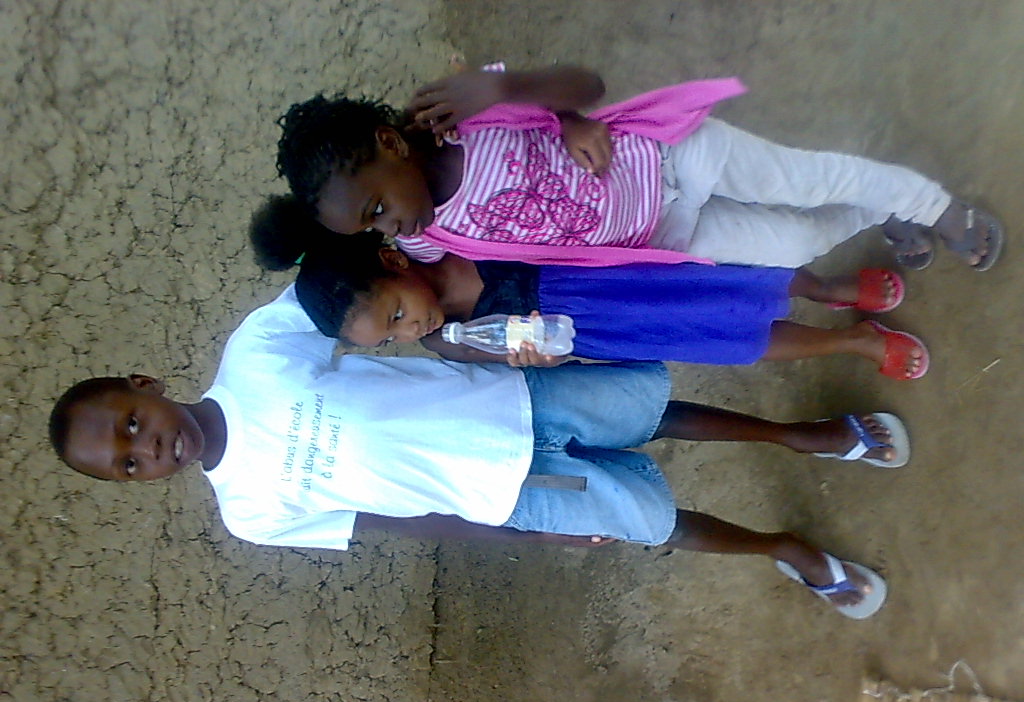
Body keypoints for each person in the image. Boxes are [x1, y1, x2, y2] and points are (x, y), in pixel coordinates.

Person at [48, 282, 903, 619]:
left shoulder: (257, 349)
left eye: (131, 422)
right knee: (651, 522)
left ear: (144, 383)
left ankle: (799, 436)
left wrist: (457, 326)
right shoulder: (250, 513)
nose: (147, 447)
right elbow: (388, 524)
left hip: (511, 395)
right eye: (129, 463)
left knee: (654, 411)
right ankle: (780, 548)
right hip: (518, 493)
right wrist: (519, 534)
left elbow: (346, 283)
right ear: (138, 482)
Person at [275, 64, 1003, 273]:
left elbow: (587, 85)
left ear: (391, 144)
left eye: (376, 207)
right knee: (799, 245)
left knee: (808, 180)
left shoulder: (469, 113)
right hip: (662, 234)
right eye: (373, 229)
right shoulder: (427, 242)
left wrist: (521, 94)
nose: (390, 227)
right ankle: (885, 208)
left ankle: (935, 206)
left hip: (673, 157)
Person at [251, 195, 928, 380]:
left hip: (612, 271)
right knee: (732, 338)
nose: (411, 331)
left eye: (397, 313)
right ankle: (856, 342)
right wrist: (534, 358)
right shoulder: (450, 342)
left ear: (392, 261)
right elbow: (539, 359)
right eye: (392, 339)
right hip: (611, 327)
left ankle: (829, 287)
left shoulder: (447, 236)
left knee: (739, 277)